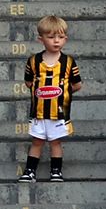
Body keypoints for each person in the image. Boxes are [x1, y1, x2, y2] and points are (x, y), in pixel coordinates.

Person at [16, 15, 82, 183]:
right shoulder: (33, 61)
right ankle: (30, 171)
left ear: (65, 39)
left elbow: (77, 85)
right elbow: (29, 82)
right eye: (51, 37)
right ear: (41, 39)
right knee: (37, 141)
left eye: (60, 37)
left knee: (55, 142)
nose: (56, 41)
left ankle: (56, 171)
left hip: (59, 113)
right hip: (38, 113)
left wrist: (61, 93)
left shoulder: (68, 62)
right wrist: (43, 92)